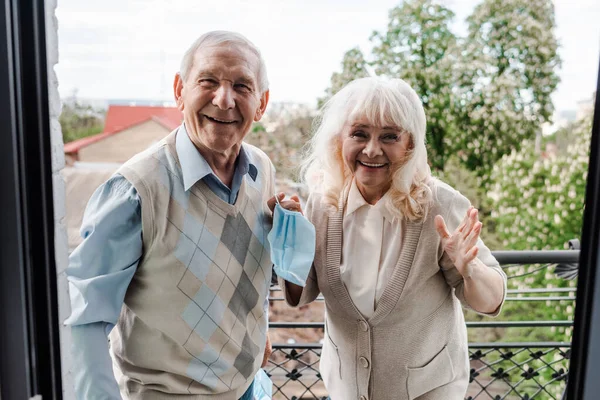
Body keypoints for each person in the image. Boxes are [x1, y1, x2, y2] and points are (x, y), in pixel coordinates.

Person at [66, 31, 279, 399]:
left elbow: (246, 271)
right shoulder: (135, 189)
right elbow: (83, 321)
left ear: (261, 104)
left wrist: (255, 333)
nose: (224, 99)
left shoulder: (261, 169)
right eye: (208, 81)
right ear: (180, 90)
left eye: (242, 86)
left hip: (248, 389)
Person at [278, 77, 507, 400]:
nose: (372, 149)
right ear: (338, 140)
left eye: (389, 136)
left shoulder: (438, 204)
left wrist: (471, 270)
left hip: (427, 390)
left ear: (410, 145)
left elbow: (492, 300)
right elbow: (301, 293)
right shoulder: (320, 205)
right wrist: (291, 244)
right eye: (359, 134)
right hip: (346, 387)